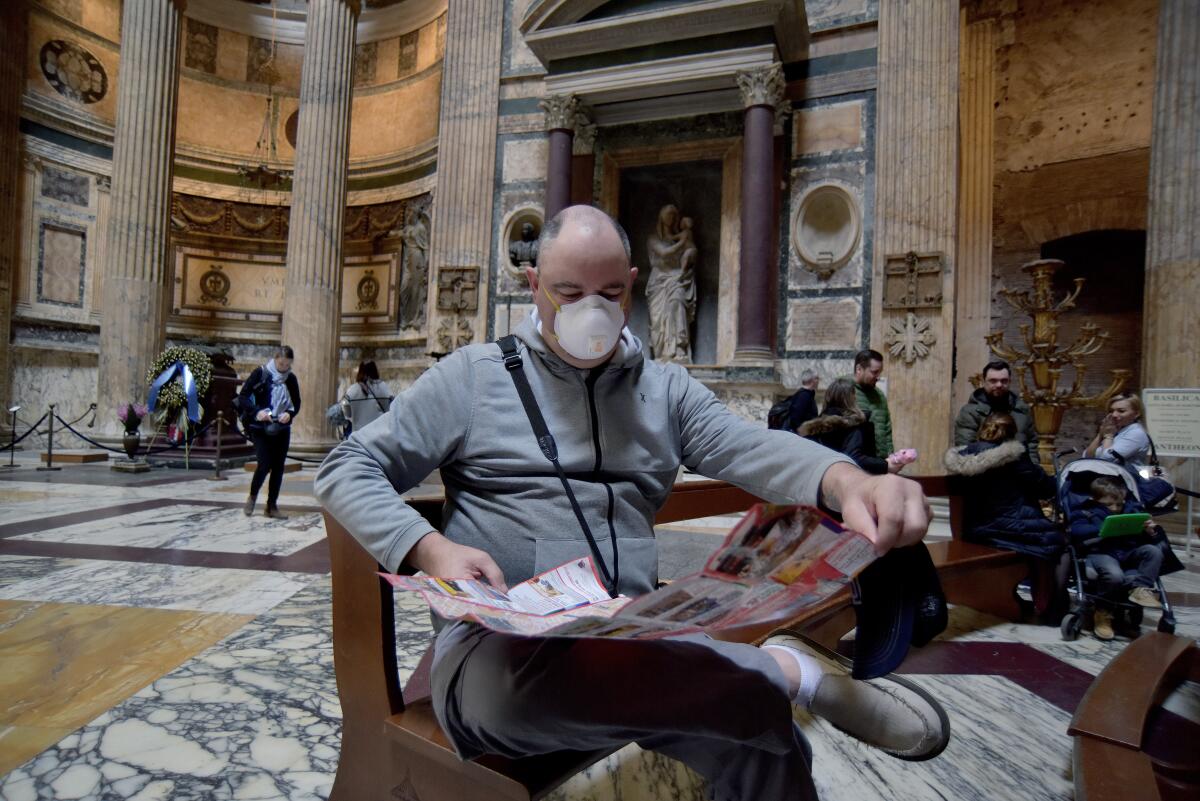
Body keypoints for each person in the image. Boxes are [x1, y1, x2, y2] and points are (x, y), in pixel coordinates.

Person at [315, 205, 943, 801]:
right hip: (499, 650)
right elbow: (346, 467)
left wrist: (850, 481)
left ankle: (754, 683)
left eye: (611, 294)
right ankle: (782, 673)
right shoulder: (471, 378)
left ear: (635, 285)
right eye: (567, 292)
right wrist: (431, 548)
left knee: (761, 735)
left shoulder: (665, 390)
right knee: (515, 699)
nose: (591, 310)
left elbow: (753, 447)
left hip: (637, 638)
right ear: (532, 284)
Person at [943, 412, 1066, 616]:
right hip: (1008, 529)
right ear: (1012, 434)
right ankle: (1052, 606)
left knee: (1044, 540)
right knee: (1058, 542)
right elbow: (1045, 488)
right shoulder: (1014, 456)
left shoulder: (962, 456)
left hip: (974, 529)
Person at [1067, 475, 1182, 640]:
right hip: (1101, 551)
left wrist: (1150, 531)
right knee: (1115, 575)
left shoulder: (1132, 509)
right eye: (1108, 504)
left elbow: (1150, 539)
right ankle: (1103, 612)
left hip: (1127, 550)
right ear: (1095, 499)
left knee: (1153, 551)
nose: (1114, 508)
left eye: (1119, 504)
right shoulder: (1085, 511)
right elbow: (1076, 531)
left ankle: (1140, 588)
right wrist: (1102, 528)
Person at [239, 345, 300, 519]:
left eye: (287, 365)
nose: (284, 368)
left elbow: (297, 403)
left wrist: (289, 414)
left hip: (281, 428)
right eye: (281, 364)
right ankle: (252, 496)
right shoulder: (261, 373)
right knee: (264, 464)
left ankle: (271, 506)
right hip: (260, 427)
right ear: (275, 359)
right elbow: (243, 396)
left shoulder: (291, 379)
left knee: (278, 468)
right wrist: (257, 412)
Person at [798, 378, 898, 475]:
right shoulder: (853, 425)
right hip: (850, 483)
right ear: (850, 399)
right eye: (854, 394)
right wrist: (885, 465)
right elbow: (854, 457)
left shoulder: (813, 429)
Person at [954, 359, 1038, 461]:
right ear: (984, 382)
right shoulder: (970, 412)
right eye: (993, 381)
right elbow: (966, 449)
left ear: (1009, 382)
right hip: (985, 473)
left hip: (1020, 473)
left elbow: (1032, 444)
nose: (999, 385)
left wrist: (1032, 469)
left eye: (1004, 381)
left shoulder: (1022, 410)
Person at [645, 204, 697, 363]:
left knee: (677, 305)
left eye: (674, 215)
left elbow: (693, 254)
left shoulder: (682, 236)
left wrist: (690, 249)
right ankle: (662, 352)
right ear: (661, 217)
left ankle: (678, 349)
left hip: (677, 279)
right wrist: (684, 240)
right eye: (667, 214)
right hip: (659, 282)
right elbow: (663, 253)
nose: (671, 218)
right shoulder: (653, 238)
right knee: (658, 319)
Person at [1084, 393, 1151, 471]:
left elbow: (1107, 460)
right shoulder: (1116, 430)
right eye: (1111, 411)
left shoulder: (1136, 433)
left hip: (1126, 481)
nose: (1114, 415)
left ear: (1136, 414)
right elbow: (1087, 456)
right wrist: (1101, 433)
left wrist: (1108, 436)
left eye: (1121, 411)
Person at [850, 349, 894, 458]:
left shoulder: (879, 395)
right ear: (859, 369)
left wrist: (891, 456)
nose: (878, 377)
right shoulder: (843, 390)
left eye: (880, 372)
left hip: (878, 462)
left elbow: (887, 429)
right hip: (853, 461)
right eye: (874, 372)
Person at [341, 360, 392, 432]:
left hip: (359, 435)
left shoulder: (353, 390)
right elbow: (391, 408)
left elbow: (347, 413)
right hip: (378, 434)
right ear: (375, 370)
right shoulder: (383, 387)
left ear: (360, 372)